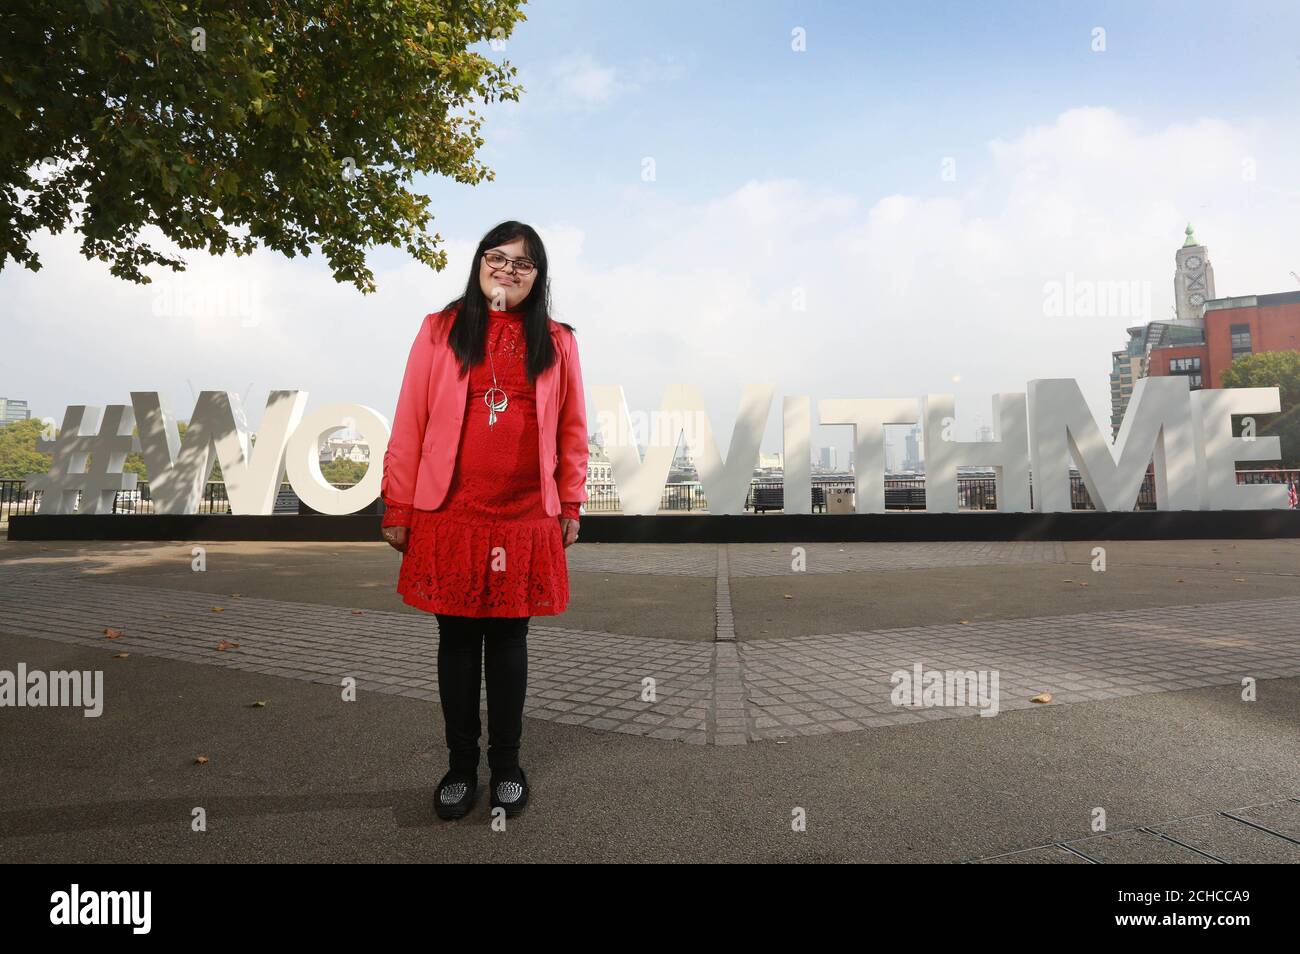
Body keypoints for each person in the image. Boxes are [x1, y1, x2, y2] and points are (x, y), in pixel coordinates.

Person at [379, 220, 589, 820]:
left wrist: (570, 502)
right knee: (456, 638)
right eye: (498, 258)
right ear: (478, 263)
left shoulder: (559, 341)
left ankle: (507, 766)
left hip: (525, 512)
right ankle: (459, 767)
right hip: (451, 508)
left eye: (524, 264)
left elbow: (574, 430)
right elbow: (410, 419)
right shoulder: (440, 330)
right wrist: (399, 504)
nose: (508, 270)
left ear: (538, 278)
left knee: (509, 638)